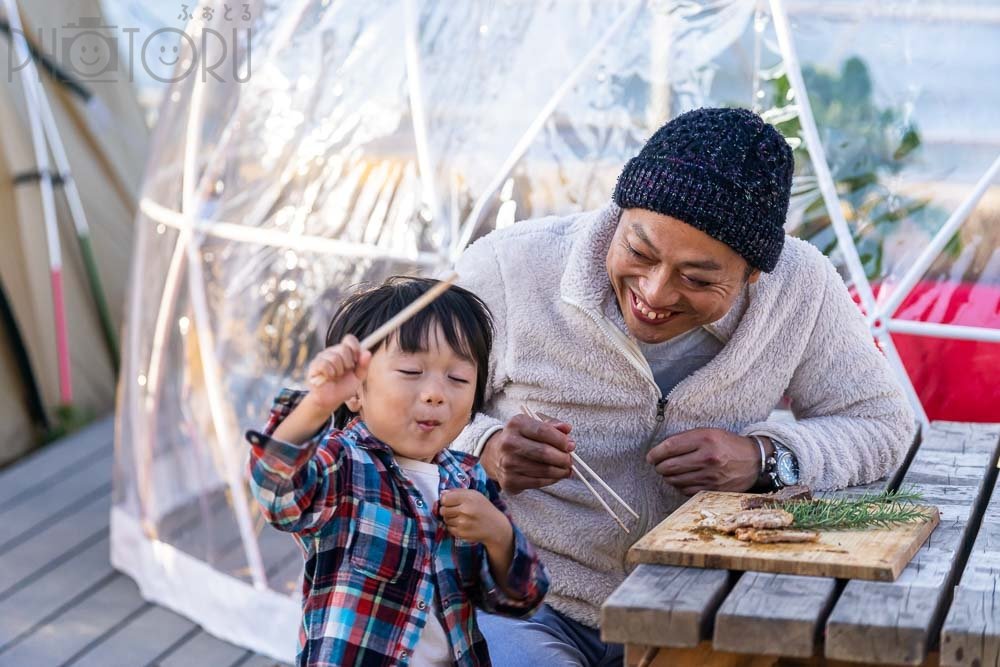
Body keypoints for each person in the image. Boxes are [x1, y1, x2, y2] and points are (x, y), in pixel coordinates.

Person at [449, 107, 916, 665]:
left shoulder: (801, 287)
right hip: (520, 599)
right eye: (639, 252)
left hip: (699, 608)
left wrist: (765, 458)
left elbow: (881, 423)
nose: (654, 293)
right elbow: (380, 408)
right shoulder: (511, 266)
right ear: (619, 214)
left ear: (753, 273)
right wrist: (484, 448)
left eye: (696, 278)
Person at [246, 277, 549, 667]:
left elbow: (523, 599)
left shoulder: (471, 481)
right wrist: (317, 405)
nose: (436, 393)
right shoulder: (343, 464)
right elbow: (276, 490)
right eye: (411, 370)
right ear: (356, 392)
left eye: (458, 378)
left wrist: (500, 536)